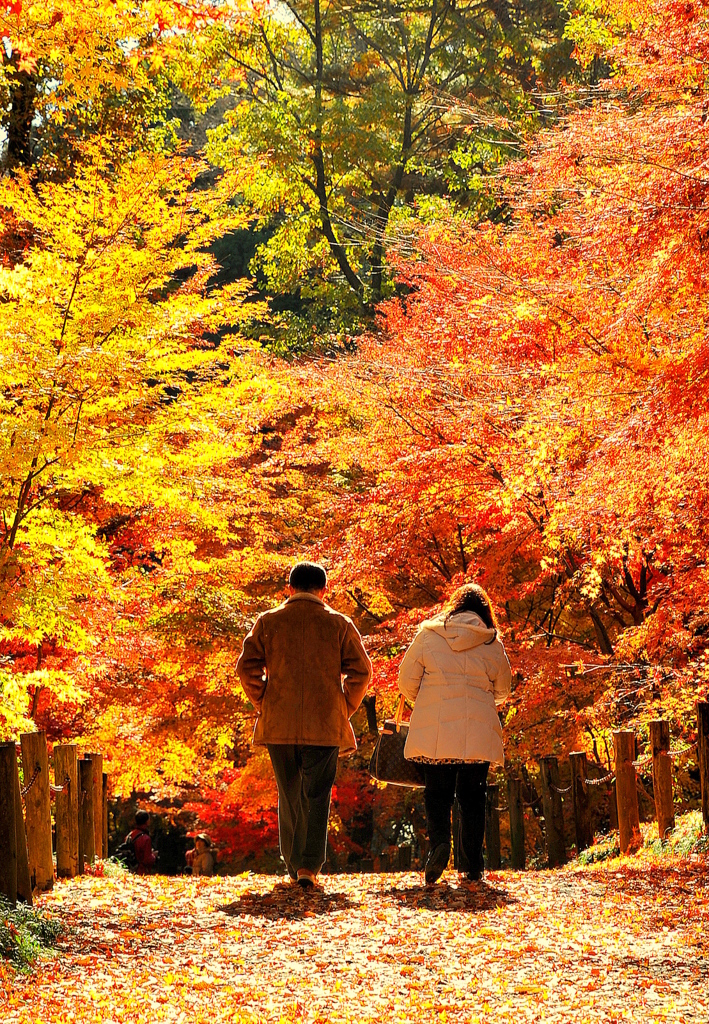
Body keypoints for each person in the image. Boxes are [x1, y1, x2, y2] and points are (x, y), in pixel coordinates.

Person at [236, 561, 372, 888]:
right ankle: (309, 867)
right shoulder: (339, 623)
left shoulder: (268, 621)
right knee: (317, 793)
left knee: (289, 793)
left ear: (290, 588)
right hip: (325, 723)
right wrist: (344, 706)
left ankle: (293, 863)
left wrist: (264, 701)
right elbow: (361, 671)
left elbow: (246, 668)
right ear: (324, 590)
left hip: (279, 721)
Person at [398, 583, 511, 885]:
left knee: (437, 793)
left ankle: (439, 846)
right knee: (473, 796)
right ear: (484, 611)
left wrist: (424, 699)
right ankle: (472, 865)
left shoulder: (428, 635)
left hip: (435, 728)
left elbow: (405, 681)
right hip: (477, 729)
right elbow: (503, 690)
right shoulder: (491, 642)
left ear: (454, 606)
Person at [116, 809, 158, 874]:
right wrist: (153, 855)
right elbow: (147, 860)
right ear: (147, 821)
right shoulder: (146, 838)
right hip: (141, 871)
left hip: (128, 870)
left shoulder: (129, 836)